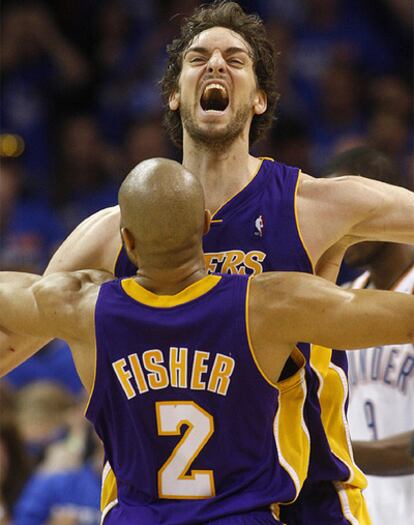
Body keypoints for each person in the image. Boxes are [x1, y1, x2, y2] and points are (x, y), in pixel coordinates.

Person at [1, 2, 414, 523]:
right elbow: (18, 337)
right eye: (198, 57)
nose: (215, 64)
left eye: (235, 60)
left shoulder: (317, 206)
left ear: (260, 98)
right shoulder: (111, 230)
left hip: (307, 497)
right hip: (159, 504)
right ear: (174, 95)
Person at [0, 158, 414, 525]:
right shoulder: (266, 306)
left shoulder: (81, 309)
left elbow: (13, 297)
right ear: (204, 225)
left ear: (126, 241)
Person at [323, 146, 414, 525]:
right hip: (363, 513)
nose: (336, 227)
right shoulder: (336, 304)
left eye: (346, 212)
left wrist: (330, 456)